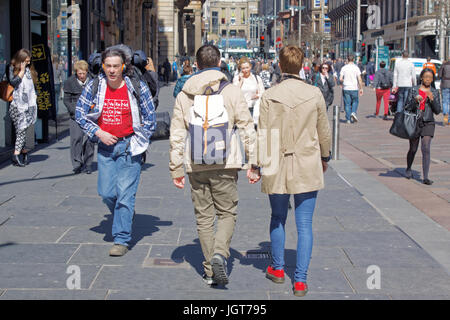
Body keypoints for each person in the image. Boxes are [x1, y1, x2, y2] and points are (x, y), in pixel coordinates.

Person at [169, 44, 257, 286]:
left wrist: (176, 168)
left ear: (196, 65)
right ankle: (220, 253)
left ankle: (209, 269)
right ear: (219, 63)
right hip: (226, 163)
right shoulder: (231, 91)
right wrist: (255, 163)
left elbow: (177, 133)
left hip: (196, 163)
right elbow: (247, 128)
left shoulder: (184, 94)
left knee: (204, 218)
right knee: (227, 212)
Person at [252, 45, 331, 297]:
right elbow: (324, 131)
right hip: (307, 160)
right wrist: (325, 156)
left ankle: (277, 268)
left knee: (277, 217)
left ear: (281, 65)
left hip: (276, 160)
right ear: (302, 65)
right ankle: (299, 280)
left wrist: (256, 164)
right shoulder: (315, 93)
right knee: (305, 223)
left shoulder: (269, 95)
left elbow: (262, 134)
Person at [76, 46, 156, 256]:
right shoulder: (95, 85)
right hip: (105, 147)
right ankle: (125, 214)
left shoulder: (135, 85)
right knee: (106, 192)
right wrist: (98, 132)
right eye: (108, 66)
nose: (112, 70)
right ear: (103, 66)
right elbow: (80, 113)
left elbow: (150, 116)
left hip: (130, 147)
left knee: (124, 196)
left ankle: (121, 239)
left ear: (123, 67)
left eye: (115, 66)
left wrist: (139, 139)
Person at [404, 68, 441, 185]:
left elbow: (438, 111)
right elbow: (407, 107)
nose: (428, 80)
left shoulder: (434, 92)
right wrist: (415, 101)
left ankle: (425, 177)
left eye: (430, 78)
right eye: (426, 77)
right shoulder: (414, 90)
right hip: (415, 122)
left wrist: (432, 100)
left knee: (426, 148)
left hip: (428, 122)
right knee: (413, 149)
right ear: (421, 78)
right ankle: (409, 168)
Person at [7, 49, 38, 167]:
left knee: (22, 130)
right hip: (16, 105)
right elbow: (13, 82)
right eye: (25, 61)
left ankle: (23, 152)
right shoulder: (11, 67)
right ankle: (15, 155)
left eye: (29, 62)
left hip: (27, 105)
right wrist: (22, 70)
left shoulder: (30, 71)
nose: (28, 64)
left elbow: (30, 87)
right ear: (20, 60)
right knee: (21, 130)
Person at [63, 60, 95, 174]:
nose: (81, 76)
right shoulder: (69, 82)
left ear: (87, 72)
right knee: (76, 138)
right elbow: (66, 100)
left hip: (90, 115)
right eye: (79, 73)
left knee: (89, 140)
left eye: (83, 73)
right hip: (75, 114)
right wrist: (73, 110)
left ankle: (88, 163)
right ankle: (77, 162)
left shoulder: (93, 81)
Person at [232, 56, 265, 126]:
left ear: (250, 67)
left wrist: (258, 95)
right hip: (241, 110)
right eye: (243, 68)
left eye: (247, 67)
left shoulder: (256, 78)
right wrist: (241, 81)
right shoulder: (236, 79)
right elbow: (234, 93)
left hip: (254, 109)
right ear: (240, 68)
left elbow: (263, 92)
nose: (246, 70)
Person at [340, 55, 364, 124]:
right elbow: (359, 79)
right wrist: (361, 88)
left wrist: (344, 81)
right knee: (355, 101)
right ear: (353, 59)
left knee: (347, 103)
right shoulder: (356, 68)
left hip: (346, 87)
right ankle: (353, 112)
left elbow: (340, 78)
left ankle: (348, 119)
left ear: (347, 59)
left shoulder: (344, 68)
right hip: (354, 88)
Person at [438, 56, 450, 125]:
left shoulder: (444, 65)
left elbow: (439, 75)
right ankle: (449, 120)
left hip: (445, 84)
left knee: (445, 101)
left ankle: (445, 115)